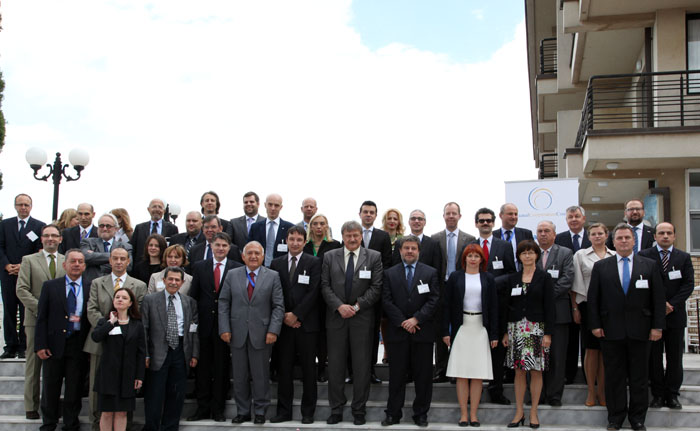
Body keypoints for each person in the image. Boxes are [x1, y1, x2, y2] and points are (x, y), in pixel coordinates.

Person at [588, 224, 665, 431]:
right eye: (619, 238)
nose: (623, 241)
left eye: (627, 238)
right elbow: (593, 299)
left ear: (633, 241)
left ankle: (638, 418)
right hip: (611, 331)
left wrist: (657, 327)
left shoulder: (649, 265)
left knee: (639, 378)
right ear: (613, 242)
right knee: (614, 378)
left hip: (641, 331)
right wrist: (595, 325)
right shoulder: (601, 266)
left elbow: (658, 299)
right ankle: (615, 418)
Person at [321, 221, 382, 425]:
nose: (353, 239)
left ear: (361, 236)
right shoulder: (330, 257)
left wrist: (356, 307)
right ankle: (336, 409)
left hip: (361, 319)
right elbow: (325, 285)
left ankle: (359, 410)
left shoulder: (373, 256)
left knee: (362, 366)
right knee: (336, 366)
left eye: (356, 235)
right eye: (348, 236)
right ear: (343, 236)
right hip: (336, 318)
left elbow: (376, 287)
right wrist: (339, 306)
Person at [218, 241, 284, 425]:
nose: (253, 256)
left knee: (260, 375)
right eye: (250, 253)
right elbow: (223, 303)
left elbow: (278, 306)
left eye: (257, 253)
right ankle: (243, 411)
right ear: (243, 256)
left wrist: (273, 330)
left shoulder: (273, 276)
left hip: (262, 334)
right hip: (236, 333)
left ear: (263, 256)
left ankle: (261, 411)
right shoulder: (232, 275)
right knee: (239, 376)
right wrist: (224, 328)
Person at [85, 246, 148, 431]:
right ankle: (96, 425)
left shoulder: (139, 285)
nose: (119, 262)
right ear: (109, 261)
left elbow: (140, 313)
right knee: (101, 398)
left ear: (128, 262)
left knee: (121, 407)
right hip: (102, 345)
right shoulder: (97, 282)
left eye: (123, 258)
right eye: (115, 258)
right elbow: (92, 309)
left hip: (127, 351)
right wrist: (106, 325)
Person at [381, 236, 439, 427]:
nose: (410, 251)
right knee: (396, 376)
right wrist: (403, 322)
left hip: (422, 332)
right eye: (406, 248)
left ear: (419, 251)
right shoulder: (389, 273)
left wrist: (416, 319)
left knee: (423, 377)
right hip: (398, 332)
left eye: (413, 248)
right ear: (400, 251)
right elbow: (386, 301)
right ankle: (393, 413)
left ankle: (421, 414)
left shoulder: (430, 272)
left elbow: (434, 300)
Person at [187, 233, 242, 422]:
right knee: (203, 369)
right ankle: (202, 408)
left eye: (224, 245)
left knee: (221, 368)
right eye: (217, 245)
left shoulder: (237, 268)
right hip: (203, 325)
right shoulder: (199, 267)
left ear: (229, 248)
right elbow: (193, 297)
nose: (220, 248)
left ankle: (218, 409)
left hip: (226, 326)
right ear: (211, 246)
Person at [639, 222, 694, 410]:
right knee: (654, 357)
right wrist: (658, 305)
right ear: (654, 236)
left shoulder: (684, 257)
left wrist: (672, 305)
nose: (665, 236)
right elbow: (642, 282)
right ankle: (657, 394)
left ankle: (672, 395)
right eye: (661, 233)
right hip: (653, 316)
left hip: (675, 315)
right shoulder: (644, 256)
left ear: (674, 236)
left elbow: (688, 284)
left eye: (669, 233)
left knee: (674, 357)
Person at [270, 226, 322, 424]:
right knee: (284, 370)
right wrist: (285, 316)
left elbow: (314, 292)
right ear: (286, 240)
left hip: (306, 325)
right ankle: (284, 412)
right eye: (292, 239)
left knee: (309, 370)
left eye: (299, 240)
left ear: (304, 241)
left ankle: (308, 413)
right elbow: (275, 292)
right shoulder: (276, 263)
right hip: (283, 325)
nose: (295, 243)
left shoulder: (314, 262)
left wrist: (297, 315)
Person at [442, 244, 498, 427]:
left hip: (480, 328)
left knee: (477, 374)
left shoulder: (488, 278)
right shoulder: (455, 277)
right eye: (470, 256)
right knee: (462, 374)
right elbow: (446, 306)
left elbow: (494, 308)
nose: (473, 259)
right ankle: (463, 414)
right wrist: (445, 331)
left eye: (476, 256)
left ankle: (474, 414)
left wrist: (494, 334)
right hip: (461, 328)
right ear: (464, 258)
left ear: (482, 259)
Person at [35, 249, 91, 431]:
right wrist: (41, 344)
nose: (76, 265)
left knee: (74, 388)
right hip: (54, 344)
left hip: (78, 345)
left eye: (80, 261)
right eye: (73, 261)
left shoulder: (91, 286)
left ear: (84, 266)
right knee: (51, 386)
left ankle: (71, 423)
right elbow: (42, 317)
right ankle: (49, 422)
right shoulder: (50, 286)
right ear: (64, 264)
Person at [502, 240, 554, 429]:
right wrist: (505, 332)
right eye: (523, 253)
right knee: (519, 371)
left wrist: (548, 334)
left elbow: (550, 307)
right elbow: (507, 307)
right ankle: (519, 412)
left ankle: (533, 412)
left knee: (535, 371)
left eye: (531, 252)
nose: (527, 256)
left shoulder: (544, 277)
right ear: (519, 257)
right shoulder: (513, 278)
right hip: (516, 329)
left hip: (536, 330)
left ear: (536, 255)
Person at [16, 224, 66, 420]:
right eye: (47, 236)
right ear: (42, 239)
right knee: (33, 364)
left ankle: (52, 405)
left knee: (55, 366)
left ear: (60, 239)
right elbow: (22, 290)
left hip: (59, 323)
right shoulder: (28, 260)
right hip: (35, 320)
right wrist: (42, 309)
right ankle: (31, 405)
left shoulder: (65, 261)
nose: (51, 239)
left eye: (54, 236)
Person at [467, 207, 516, 404]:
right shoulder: (469, 245)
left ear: (494, 222)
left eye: (488, 220)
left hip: (498, 306)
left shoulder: (504, 246)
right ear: (476, 223)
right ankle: (471, 392)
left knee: (496, 352)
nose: (485, 223)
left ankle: (496, 390)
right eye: (481, 221)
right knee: (474, 350)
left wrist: (493, 282)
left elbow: (512, 274)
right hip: (474, 306)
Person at [141, 266, 199, 431]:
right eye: (170, 279)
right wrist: (145, 354)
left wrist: (194, 353)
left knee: (176, 394)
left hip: (181, 351)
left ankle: (170, 427)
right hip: (157, 352)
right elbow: (144, 329)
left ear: (182, 283)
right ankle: (152, 427)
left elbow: (194, 330)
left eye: (177, 280)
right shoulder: (150, 300)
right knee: (154, 394)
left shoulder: (189, 302)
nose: (173, 282)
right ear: (164, 280)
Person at [431, 202, 475, 384]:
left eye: (454, 213)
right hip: (439, 288)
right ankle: (441, 369)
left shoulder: (469, 239)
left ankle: (458, 370)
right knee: (440, 330)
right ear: (443, 216)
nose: (451, 216)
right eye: (448, 213)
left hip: (460, 288)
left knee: (459, 329)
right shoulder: (434, 239)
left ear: (459, 216)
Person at [571, 222, 614, 407]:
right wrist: (575, 308)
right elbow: (575, 285)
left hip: (611, 309)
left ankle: (602, 392)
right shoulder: (581, 255)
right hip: (588, 306)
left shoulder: (614, 255)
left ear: (606, 235)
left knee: (606, 351)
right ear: (588, 237)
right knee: (591, 350)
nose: (597, 236)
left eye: (600, 233)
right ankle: (590, 391)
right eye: (593, 234)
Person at [91, 288, 146, 431]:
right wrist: (111, 322)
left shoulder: (137, 325)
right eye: (117, 297)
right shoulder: (105, 321)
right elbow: (96, 337)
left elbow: (141, 352)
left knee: (122, 412)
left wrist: (139, 376)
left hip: (128, 375)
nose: (120, 300)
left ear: (130, 303)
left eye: (124, 298)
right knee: (107, 412)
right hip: (108, 374)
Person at [0, 193, 45, 359]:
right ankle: (10, 346)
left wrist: (23, 266)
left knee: (26, 310)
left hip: (28, 276)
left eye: (26, 204)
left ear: (31, 206)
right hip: (8, 274)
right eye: (20, 204)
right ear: (15, 206)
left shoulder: (39, 226)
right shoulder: (5, 225)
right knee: (9, 311)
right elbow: (1, 247)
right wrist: (6, 265)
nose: (23, 207)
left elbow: (39, 250)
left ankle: (23, 346)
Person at [535, 220, 574, 407]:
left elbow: (567, 280)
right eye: (540, 231)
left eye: (547, 231)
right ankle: (537, 394)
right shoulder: (530, 253)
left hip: (559, 312)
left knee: (557, 356)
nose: (543, 234)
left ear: (554, 234)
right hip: (535, 314)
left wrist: (546, 297)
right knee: (536, 356)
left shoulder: (565, 253)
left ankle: (554, 394)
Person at [555, 205, 592, 385]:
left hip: (587, 297)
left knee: (587, 340)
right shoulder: (560, 239)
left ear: (583, 219)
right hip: (566, 297)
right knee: (569, 340)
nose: (574, 219)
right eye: (570, 217)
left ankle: (588, 375)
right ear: (566, 220)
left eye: (577, 216)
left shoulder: (593, 237)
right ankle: (568, 375)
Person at [303, 213, 341, 382]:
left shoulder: (335, 246)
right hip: (307, 297)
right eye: (315, 224)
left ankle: (322, 369)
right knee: (310, 335)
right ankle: (308, 368)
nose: (319, 227)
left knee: (325, 335)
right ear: (310, 226)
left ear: (327, 226)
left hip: (328, 297)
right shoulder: (304, 246)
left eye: (322, 224)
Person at [358, 201, 392, 383]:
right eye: (365, 212)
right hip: (353, 292)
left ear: (376, 215)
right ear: (360, 213)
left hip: (375, 292)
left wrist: (375, 284)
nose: (368, 215)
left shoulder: (383, 236)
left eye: (372, 212)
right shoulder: (352, 232)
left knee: (371, 333)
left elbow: (387, 263)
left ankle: (370, 370)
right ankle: (352, 371)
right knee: (354, 335)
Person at [81, 213, 133, 284]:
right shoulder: (87, 242)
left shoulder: (126, 246)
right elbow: (86, 257)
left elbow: (128, 267)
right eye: (101, 226)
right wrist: (116, 258)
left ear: (116, 229)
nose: (104, 229)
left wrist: (95, 260)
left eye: (108, 226)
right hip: (92, 285)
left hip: (116, 286)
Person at [248, 193, 295, 266]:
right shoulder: (255, 227)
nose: (273, 208)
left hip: (281, 269)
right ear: (265, 205)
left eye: (276, 205)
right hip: (259, 268)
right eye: (270, 204)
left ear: (281, 207)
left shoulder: (289, 228)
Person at [493, 203, 534, 270]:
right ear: (501, 215)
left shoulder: (526, 234)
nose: (514, 217)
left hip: (521, 275)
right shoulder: (493, 235)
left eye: (516, 214)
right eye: (510, 214)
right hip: (500, 277)